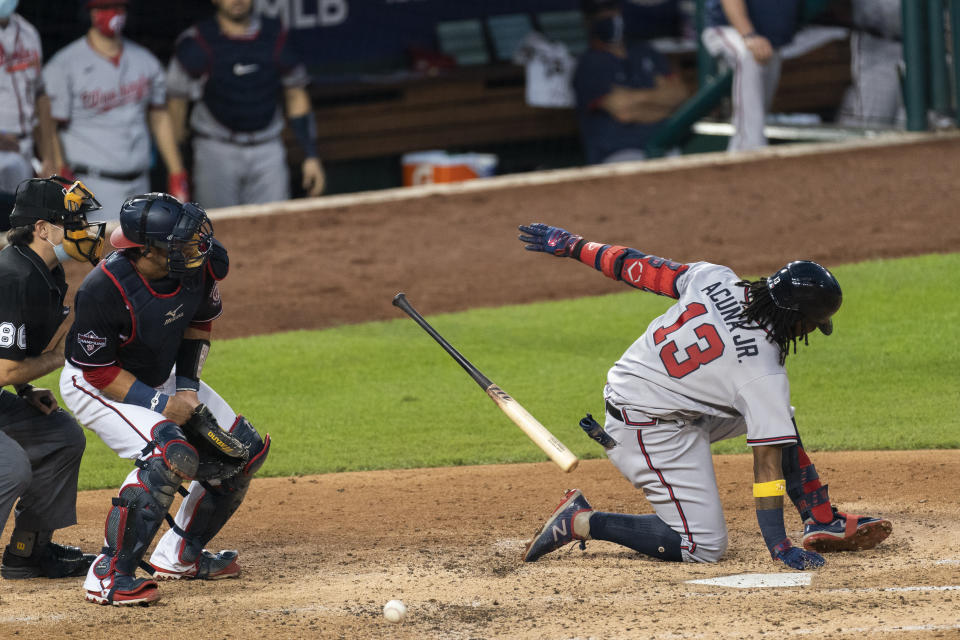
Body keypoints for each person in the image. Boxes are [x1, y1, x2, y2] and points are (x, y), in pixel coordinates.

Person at [516, 223, 892, 570]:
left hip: (661, 399)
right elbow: (766, 467)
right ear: (795, 317)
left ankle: (821, 518)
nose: (811, 330)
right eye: (812, 323)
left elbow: (636, 267)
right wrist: (778, 545)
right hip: (643, 427)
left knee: (776, 417)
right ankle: (581, 521)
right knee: (703, 546)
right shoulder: (761, 373)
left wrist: (574, 245)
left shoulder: (714, 278)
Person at [59, 192, 270, 605]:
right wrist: (160, 406)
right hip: (98, 381)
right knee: (167, 454)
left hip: (161, 374)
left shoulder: (199, 264)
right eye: (181, 242)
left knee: (239, 453)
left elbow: (197, 325)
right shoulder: (103, 289)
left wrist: (186, 389)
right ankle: (107, 575)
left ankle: (179, 556)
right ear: (146, 250)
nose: (196, 247)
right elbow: (98, 371)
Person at [0, 175, 105, 579]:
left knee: (62, 436)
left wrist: (25, 389)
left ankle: (27, 551)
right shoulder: (12, 278)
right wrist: (59, 358)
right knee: (10, 468)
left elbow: (13, 354)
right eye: (72, 221)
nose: (85, 229)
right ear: (42, 229)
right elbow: (5, 367)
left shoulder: (46, 273)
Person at [166, 0, 325, 208]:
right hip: (216, 149)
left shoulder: (275, 34)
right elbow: (175, 104)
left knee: (275, 225)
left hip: (267, 148)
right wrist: (178, 167)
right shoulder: (197, 40)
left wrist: (310, 155)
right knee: (215, 230)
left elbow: (296, 94)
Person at [43, 0, 189, 221]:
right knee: (96, 253)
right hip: (91, 183)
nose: (111, 14)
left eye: (117, 7)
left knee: (144, 253)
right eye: (103, 8)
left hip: (141, 182)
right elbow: (50, 126)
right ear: (89, 12)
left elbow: (159, 116)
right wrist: (61, 173)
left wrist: (177, 172)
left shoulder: (145, 61)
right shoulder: (63, 65)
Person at [572, 0, 688, 165]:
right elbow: (623, 112)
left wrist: (635, 99)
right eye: (600, 11)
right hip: (620, 153)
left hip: (666, 145)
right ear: (587, 20)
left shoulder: (645, 50)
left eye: (611, 8)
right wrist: (666, 109)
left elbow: (679, 95)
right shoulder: (589, 64)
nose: (608, 15)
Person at [702, 0, 803, 151]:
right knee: (748, 55)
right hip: (730, 29)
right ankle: (747, 149)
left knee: (760, 105)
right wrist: (748, 35)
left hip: (769, 41)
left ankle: (750, 150)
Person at [0, 1, 57, 237]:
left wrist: (49, 156)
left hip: (23, 148)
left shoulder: (29, 32)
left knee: (21, 234)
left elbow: (40, 96)